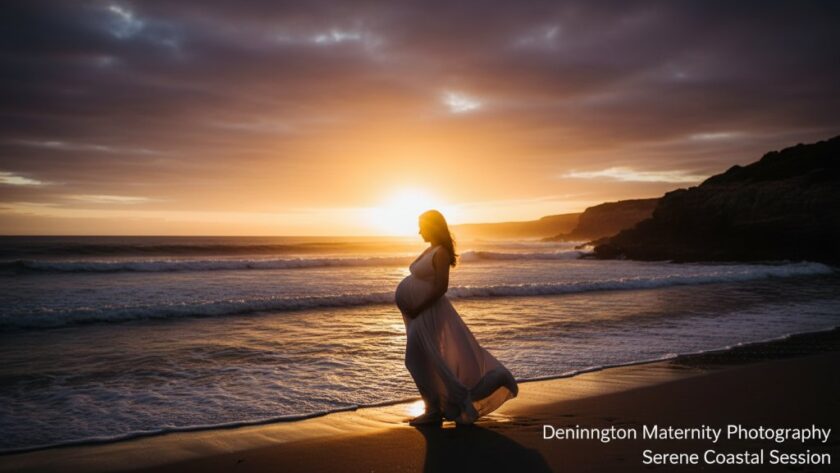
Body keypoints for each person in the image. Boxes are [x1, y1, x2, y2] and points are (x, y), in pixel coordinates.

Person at [395, 209, 518, 426]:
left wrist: (418, 307)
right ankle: (433, 409)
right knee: (423, 361)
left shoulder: (440, 252)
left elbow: (441, 287)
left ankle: (495, 379)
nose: (419, 231)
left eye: (422, 226)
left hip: (430, 312)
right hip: (420, 313)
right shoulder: (430, 249)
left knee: (416, 360)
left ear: (432, 226)